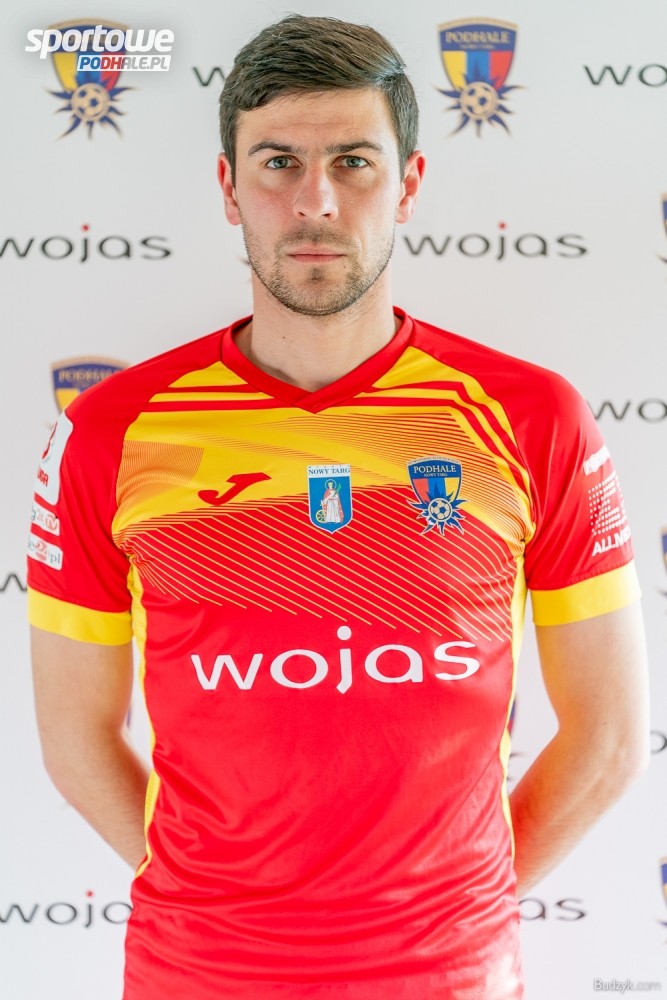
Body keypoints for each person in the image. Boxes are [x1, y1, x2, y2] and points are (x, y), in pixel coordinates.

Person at [27, 14, 649, 1000]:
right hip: (198, 977)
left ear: (408, 183)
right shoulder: (111, 430)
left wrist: (458, 912)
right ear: (228, 188)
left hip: (450, 979)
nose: (314, 200)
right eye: (277, 162)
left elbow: (609, 736)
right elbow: (74, 736)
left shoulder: (532, 418)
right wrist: (203, 899)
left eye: (353, 162)